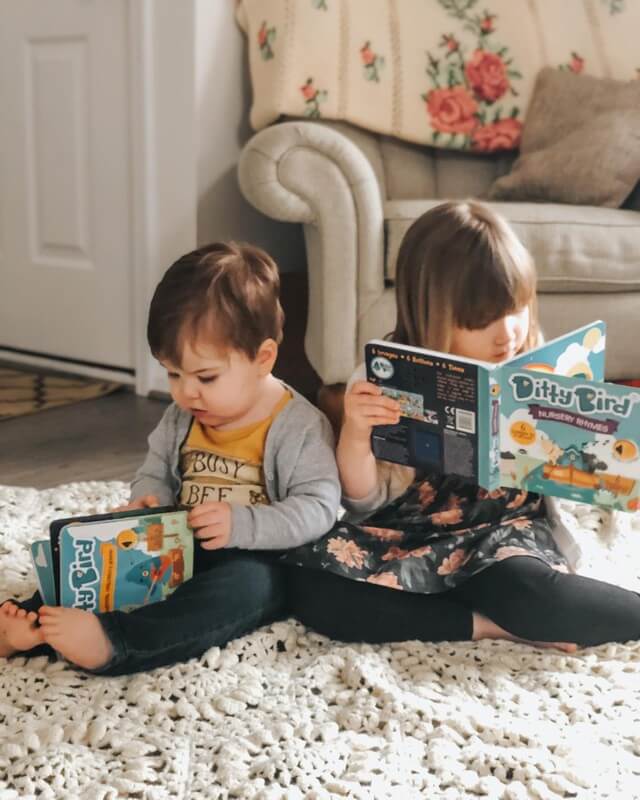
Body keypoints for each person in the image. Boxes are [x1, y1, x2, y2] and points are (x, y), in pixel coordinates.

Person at [286, 200, 640, 650]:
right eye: (482, 321)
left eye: (516, 309)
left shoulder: (533, 360)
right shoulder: (378, 379)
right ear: (431, 316)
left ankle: (510, 614)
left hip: (503, 533)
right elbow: (362, 500)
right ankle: (487, 626)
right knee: (308, 584)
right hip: (410, 533)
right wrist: (355, 433)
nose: (507, 333)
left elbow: (576, 462)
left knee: (535, 596)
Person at [0, 242, 340, 674]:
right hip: (174, 543)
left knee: (246, 590)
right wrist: (150, 500)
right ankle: (31, 623)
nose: (186, 391)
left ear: (263, 358)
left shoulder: (299, 427)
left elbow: (319, 508)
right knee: (90, 558)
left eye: (205, 377)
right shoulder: (183, 416)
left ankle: (118, 642)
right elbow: (154, 471)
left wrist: (242, 524)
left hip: (254, 556)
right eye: (173, 373)